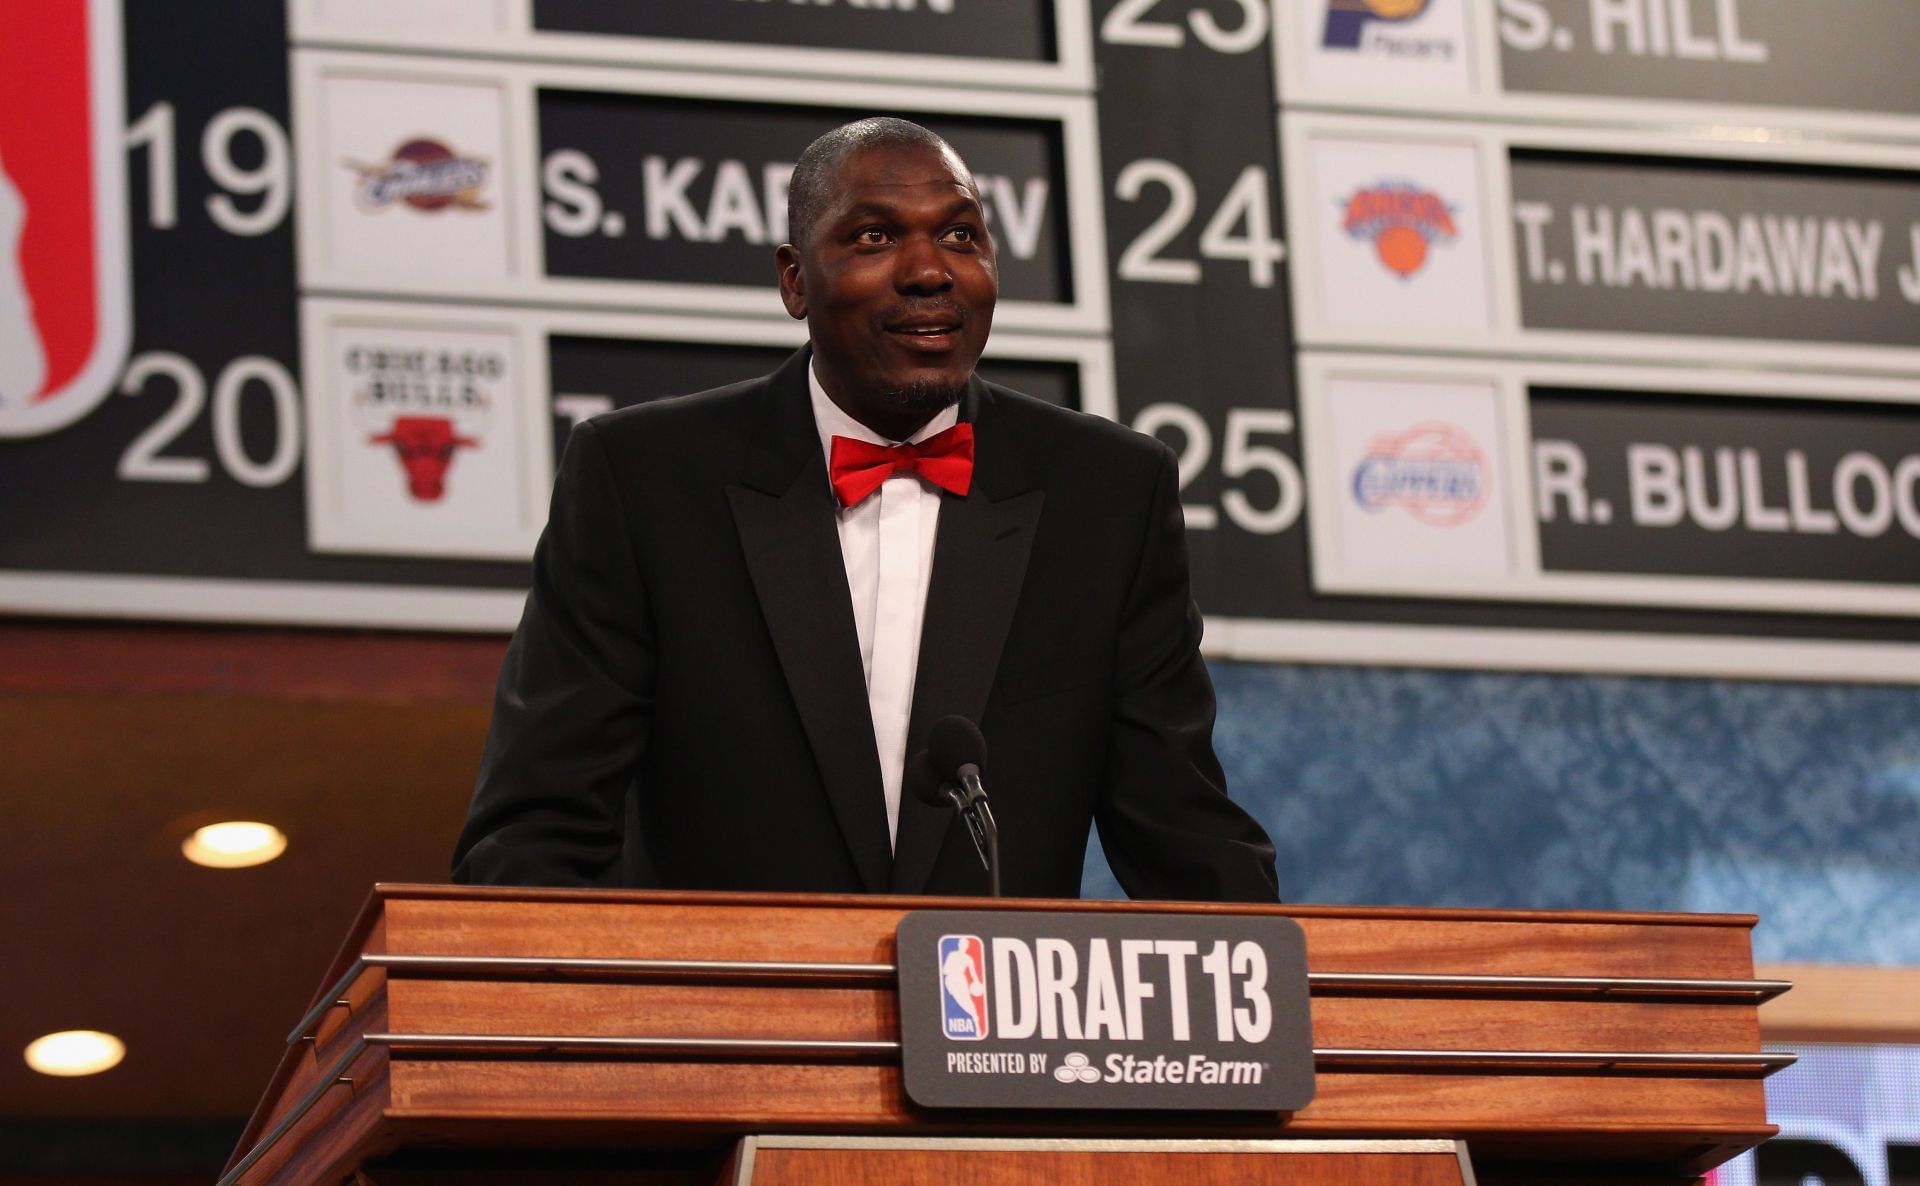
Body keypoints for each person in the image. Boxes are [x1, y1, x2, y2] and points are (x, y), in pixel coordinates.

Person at [452, 117, 1278, 901]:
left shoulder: (1106, 495)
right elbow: (537, 831)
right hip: (719, 1032)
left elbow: (1185, 839)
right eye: (875, 237)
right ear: (794, 280)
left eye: (961, 235)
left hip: (993, 1038)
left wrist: (1289, 1007)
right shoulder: (645, 481)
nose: (929, 271)